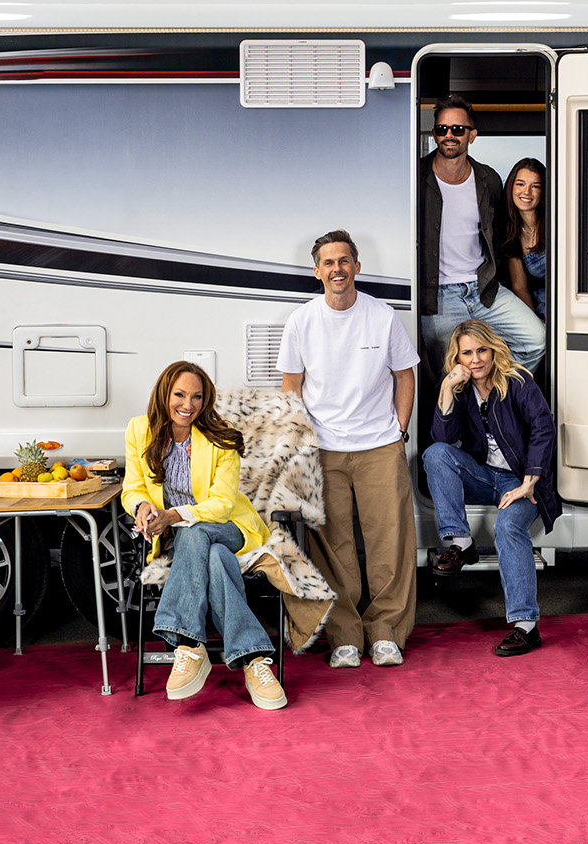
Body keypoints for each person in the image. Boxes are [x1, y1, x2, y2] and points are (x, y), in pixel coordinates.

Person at [279, 230, 419, 669]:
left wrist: (399, 431)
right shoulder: (301, 321)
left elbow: (405, 375)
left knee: (389, 541)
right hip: (324, 448)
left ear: (357, 267)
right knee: (333, 547)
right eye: (328, 262)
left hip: (379, 446)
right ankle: (344, 637)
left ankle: (386, 633)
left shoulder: (383, 316)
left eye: (344, 260)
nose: (337, 268)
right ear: (317, 271)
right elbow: (291, 387)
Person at [122, 361, 287, 709]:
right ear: (164, 394)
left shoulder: (220, 437)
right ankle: (254, 659)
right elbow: (132, 487)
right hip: (182, 539)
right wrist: (141, 506)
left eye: (197, 397)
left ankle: (186, 643)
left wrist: (174, 515)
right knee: (213, 557)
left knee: (196, 533)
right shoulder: (139, 430)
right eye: (180, 395)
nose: (188, 404)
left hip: (230, 528)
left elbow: (222, 505)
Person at [423, 320, 559, 656]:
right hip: (484, 476)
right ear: (457, 358)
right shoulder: (461, 388)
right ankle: (461, 543)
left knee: (508, 528)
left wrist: (529, 482)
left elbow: (543, 428)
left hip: (519, 481)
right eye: (467, 353)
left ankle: (526, 627)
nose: (476, 359)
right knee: (436, 454)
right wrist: (447, 388)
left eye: (482, 350)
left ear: (493, 349)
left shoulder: (517, 381)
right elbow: (443, 438)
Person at [418, 95, 546, 372]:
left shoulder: (488, 179)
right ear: (434, 134)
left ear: (472, 135)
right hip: (437, 297)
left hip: (484, 289)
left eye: (458, 129)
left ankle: (497, 394)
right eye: (442, 129)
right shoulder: (416, 175)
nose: (449, 135)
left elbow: (500, 235)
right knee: (449, 375)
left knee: (537, 340)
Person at [500, 158, 548, 320]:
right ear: (511, 187)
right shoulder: (510, 232)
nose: (526, 192)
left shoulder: (555, 224)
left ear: (543, 191)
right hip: (541, 307)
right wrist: (535, 322)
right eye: (520, 184)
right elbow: (520, 287)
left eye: (535, 186)